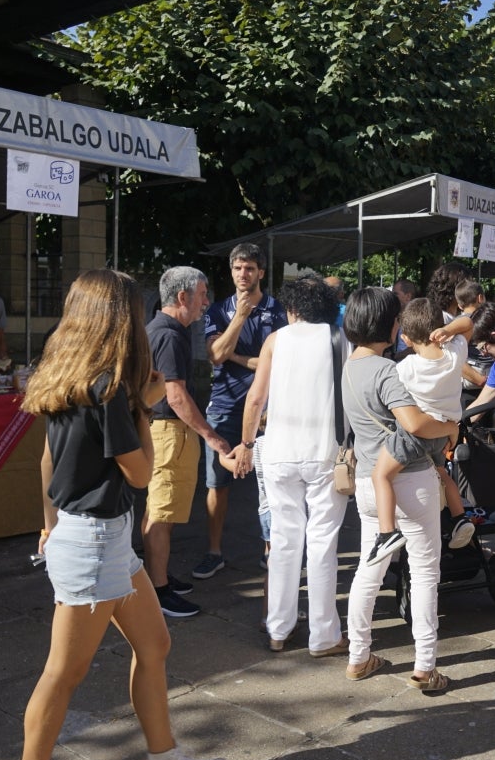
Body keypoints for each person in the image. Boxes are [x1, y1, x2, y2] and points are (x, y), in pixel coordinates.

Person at [7, 269, 226, 760]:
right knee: (64, 671)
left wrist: (48, 523)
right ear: (119, 318)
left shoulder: (66, 375)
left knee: (153, 644)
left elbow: (47, 462)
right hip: (95, 540)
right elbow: (139, 475)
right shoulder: (107, 389)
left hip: (93, 539)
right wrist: (146, 405)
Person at [341, 287, 459, 692]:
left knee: (367, 571)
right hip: (410, 481)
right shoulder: (386, 370)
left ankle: (359, 656)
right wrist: (450, 427)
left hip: (369, 482)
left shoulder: (350, 367)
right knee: (425, 572)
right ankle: (425, 665)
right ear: (387, 325)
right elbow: (414, 424)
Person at [231, 276, 349, 655]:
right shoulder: (339, 339)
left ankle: (278, 629)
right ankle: (324, 635)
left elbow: (255, 399)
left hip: (280, 452)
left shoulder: (275, 340)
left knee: (282, 541)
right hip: (325, 452)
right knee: (322, 543)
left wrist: (247, 444)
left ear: (293, 307)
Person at [195, 243, 287, 580]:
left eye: (249, 268)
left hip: (267, 410)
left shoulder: (279, 311)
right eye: (237, 268)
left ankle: (270, 550)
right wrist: (241, 317)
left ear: (261, 272)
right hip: (224, 407)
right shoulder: (219, 310)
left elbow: (277, 363)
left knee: (271, 482)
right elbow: (216, 354)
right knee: (216, 484)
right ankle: (214, 551)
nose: (242, 274)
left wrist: (236, 356)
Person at [363, 299, 476, 566]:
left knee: (381, 475)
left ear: (405, 338)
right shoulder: (454, 354)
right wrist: (450, 331)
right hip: (442, 434)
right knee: (441, 473)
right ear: (440, 327)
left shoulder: (405, 368)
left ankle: (387, 532)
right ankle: (460, 518)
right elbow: (469, 323)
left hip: (415, 434)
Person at [142, 266, 224, 619]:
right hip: (169, 432)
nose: (206, 302)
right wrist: (211, 435)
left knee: (161, 509)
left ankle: (155, 579)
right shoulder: (169, 335)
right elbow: (174, 396)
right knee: (161, 512)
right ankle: (157, 590)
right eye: (203, 294)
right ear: (182, 297)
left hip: (164, 431)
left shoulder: (163, 329)